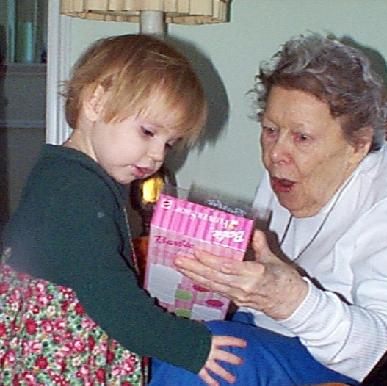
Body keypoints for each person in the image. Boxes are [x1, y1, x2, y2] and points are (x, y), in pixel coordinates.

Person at [152, 32, 387, 385]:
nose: (276, 153)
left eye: (302, 137)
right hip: (276, 331)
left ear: (359, 143)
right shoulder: (288, 174)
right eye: (271, 130)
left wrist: (290, 299)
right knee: (156, 335)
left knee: (199, 357)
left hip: (355, 364)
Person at [0, 34, 246, 385]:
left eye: (169, 143)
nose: (159, 155)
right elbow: (111, 298)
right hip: (61, 363)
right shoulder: (73, 190)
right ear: (96, 102)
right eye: (148, 132)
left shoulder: (73, 175)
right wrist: (190, 347)